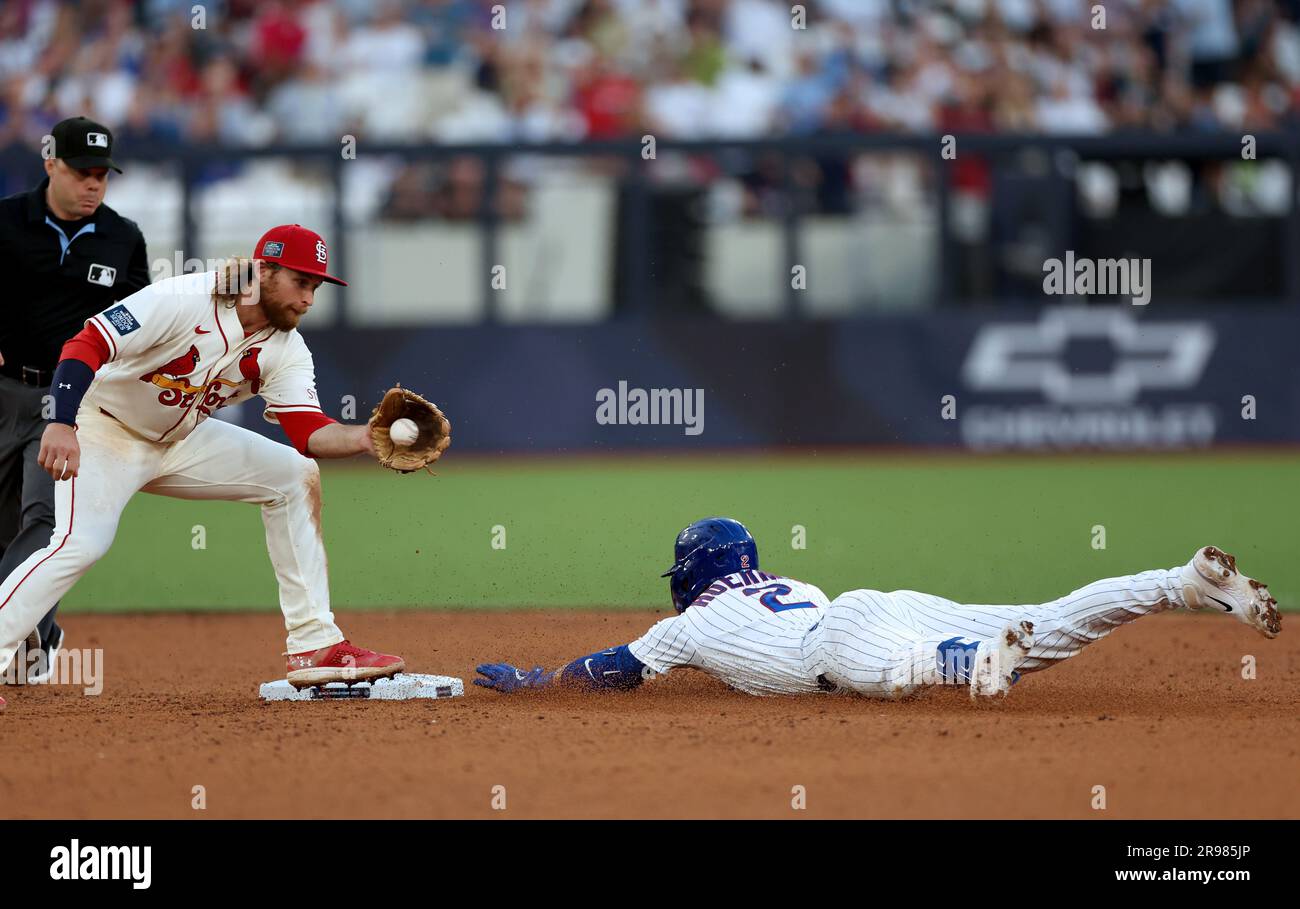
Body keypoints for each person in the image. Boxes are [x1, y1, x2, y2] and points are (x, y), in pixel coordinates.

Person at [0, 224, 403, 712]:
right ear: (264, 271)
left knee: (294, 475)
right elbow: (85, 345)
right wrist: (61, 422)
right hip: (103, 427)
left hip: (179, 439)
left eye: (316, 286)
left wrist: (363, 437)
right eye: (301, 281)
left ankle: (314, 643)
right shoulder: (187, 298)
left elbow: (309, 433)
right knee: (81, 544)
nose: (309, 298)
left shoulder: (286, 349)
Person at [474, 517, 1281, 698]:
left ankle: (978, 663)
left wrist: (542, 680)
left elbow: (611, 672)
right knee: (1052, 617)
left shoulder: (680, 626)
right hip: (881, 600)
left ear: (689, 573)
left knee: (891, 675)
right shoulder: (778, 582)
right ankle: (1178, 582)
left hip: (840, 636)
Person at [0, 116, 150, 684]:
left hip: (71, 406)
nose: (94, 184)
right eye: (82, 172)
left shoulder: (122, 237)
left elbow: (141, 324)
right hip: (5, 390)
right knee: (6, 527)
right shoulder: (6, 222)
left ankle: (9, 629)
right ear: (50, 165)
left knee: (44, 519)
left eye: (102, 175)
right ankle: (41, 634)